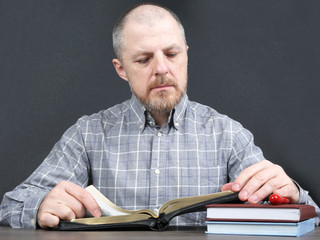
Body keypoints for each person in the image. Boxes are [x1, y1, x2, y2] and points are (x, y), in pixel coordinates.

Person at [0, 3, 318, 229]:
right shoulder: (89, 134)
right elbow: (12, 204)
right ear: (121, 69)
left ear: (186, 55)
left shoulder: (227, 135)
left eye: (171, 54)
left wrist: (290, 192)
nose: (162, 69)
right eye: (143, 59)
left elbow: (311, 214)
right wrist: (40, 206)